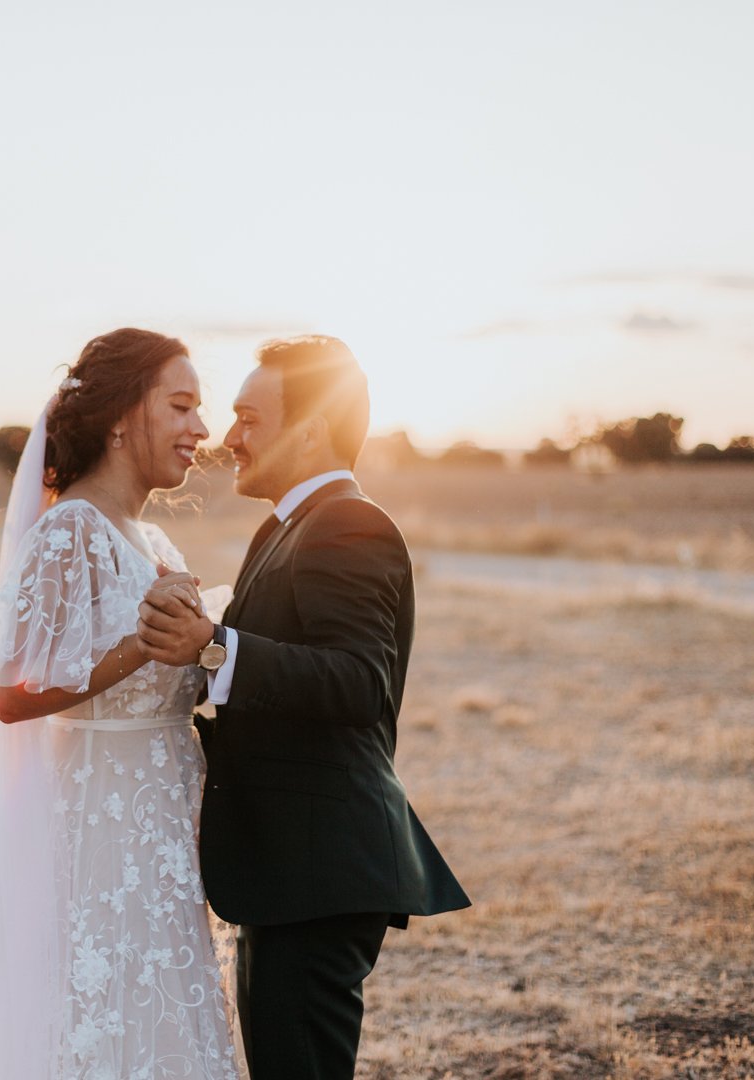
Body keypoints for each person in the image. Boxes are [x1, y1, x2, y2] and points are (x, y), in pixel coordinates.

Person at [135, 335, 471, 1080]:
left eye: (250, 419)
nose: (228, 440)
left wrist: (210, 646)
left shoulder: (349, 526)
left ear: (311, 429)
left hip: (319, 875)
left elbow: (358, 682)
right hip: (290, 870)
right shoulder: (286, 526)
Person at [0, 328, 241, 1080]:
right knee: (99, 1023)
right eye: (181, 405)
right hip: (101, 829)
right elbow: (13, 694)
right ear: (119, 416)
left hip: (165, 827)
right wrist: (142, 642)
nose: (201, 430)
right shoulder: (68, 531)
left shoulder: (157, 542)